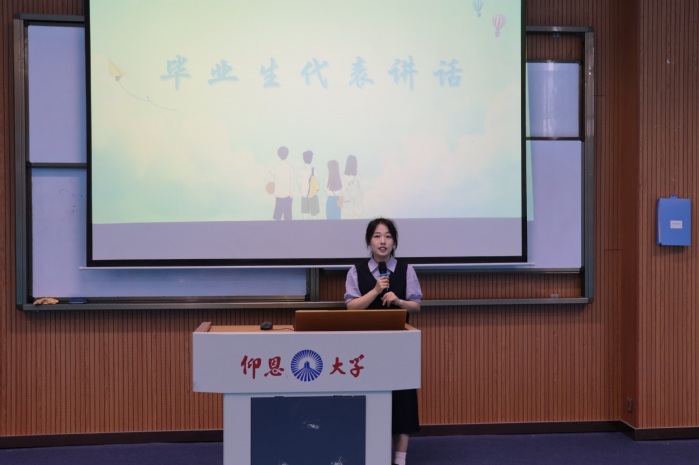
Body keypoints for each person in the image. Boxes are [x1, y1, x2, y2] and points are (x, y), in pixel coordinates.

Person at [344, 217, 422, 465]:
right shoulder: (356, 271)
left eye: (388, 236)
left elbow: (416, 306)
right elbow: (351, 308)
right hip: (366, 347)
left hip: (399, 345)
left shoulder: (406, 270)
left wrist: (399, 301)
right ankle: (368, 453)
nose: (383, 241)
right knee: (367, 398)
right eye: (377, 236)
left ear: (394, 242)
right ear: (369, 241)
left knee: (403, 399)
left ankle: (400, 458)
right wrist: (376, 291)